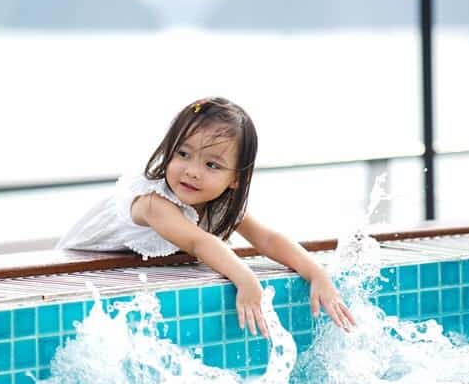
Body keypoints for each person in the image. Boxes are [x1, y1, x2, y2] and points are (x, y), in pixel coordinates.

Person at [57, 97, 356, 337]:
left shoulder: (218, 202)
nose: (192, 171)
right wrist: (246, 279)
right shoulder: (153, 203)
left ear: (235, 179)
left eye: (212, 165)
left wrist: (317, 274)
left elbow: (267, 239)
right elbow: (201, 243)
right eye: (183, 154)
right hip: (72, 264)